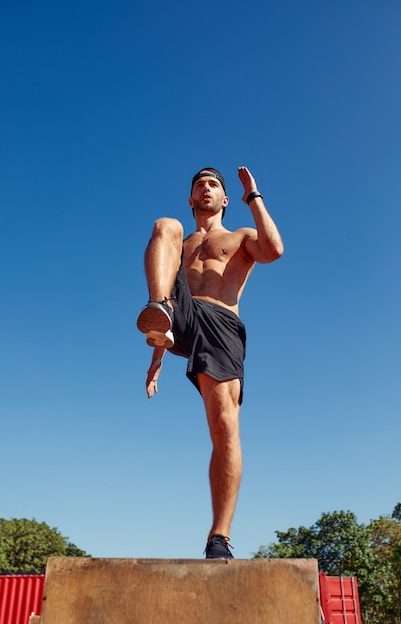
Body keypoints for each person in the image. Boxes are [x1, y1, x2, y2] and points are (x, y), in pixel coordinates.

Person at [137, 166, 284, 558]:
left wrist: (253, 195)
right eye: (199, 184)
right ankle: (159, 315)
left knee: (224, 424)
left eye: (213, 184)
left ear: (224, 199)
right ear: (191, 199)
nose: (206, 188)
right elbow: (169, 281)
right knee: (163, 226)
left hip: (220, 323)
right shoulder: (180, 244)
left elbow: (273, 251)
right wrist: (158, 354)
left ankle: (219, 537)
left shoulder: (239, 237)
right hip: (178, 314)